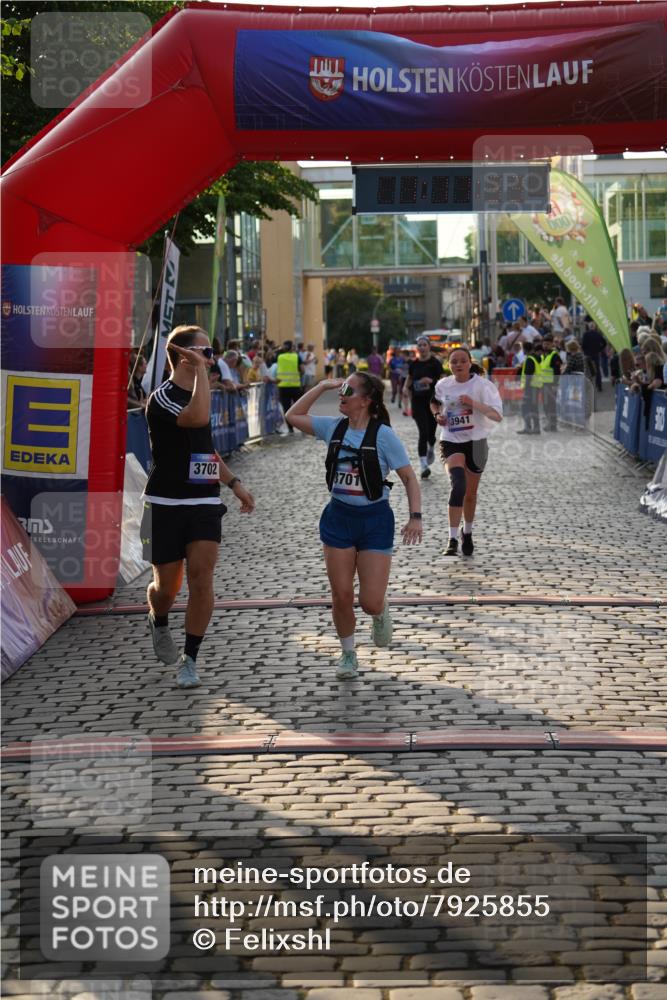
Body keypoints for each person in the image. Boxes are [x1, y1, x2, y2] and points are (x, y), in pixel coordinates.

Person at [285, 372, 422, 679]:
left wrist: (416, 517)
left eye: (347, 390)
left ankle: (380, 610)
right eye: (341, 389)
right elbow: (292, 415)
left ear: (367, 400)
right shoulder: (333, 427)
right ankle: (348, 653)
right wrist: (322, 387)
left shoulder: (384, 435)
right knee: (342, 594)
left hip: (374, 520)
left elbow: (409, 478)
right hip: (339, 518)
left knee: (369, 601)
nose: (341, 394)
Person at [141, 325, 255, 688]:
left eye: (213, 350)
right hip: (164, 502)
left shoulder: (202, 388)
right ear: (183, 355)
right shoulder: (162, 398)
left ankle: (190, 658)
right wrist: (204, 375)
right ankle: (157, 618)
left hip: (204, 500)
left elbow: (205, 448)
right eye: (206, 351)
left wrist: (234, 484)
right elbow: (196, 418)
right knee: (167, 589)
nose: (213, 357)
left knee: (202, 578)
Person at [431, 347, 502, 557]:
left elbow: (497, 415)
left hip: (477, 443)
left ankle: (467, 532)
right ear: (449, 365)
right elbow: (434, 403)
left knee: (470, 495)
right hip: (451, 440)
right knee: (458, 484)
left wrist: (473, 403)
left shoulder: (483, 386)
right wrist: (438, 416)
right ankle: (452, 538)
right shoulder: (443, 385)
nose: (458, 365)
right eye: (454, 361)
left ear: (470, 363)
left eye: (462, 360)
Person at [402, 335, 444, 479]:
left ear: (429, 347)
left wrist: (431, 381)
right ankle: (423, 465)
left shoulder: (435, 363)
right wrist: (405, 388)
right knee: (423, 432)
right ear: (417, 348)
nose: (422, 347)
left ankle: (431, 447)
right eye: (419, 345)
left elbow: (442, 381)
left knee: (431, 433)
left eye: (424, 345)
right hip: (418, 402)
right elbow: (410, 377)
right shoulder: (414, 364)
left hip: (433, 402)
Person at [276, 339, 303, 433]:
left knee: (286, 408)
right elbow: (302, 370)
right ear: (292, 347)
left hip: (283, 387)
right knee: (299, 407)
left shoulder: (279, 357)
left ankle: (290, 428)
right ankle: (302, 426)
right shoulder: (296, 356)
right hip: (295, 386)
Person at [516, 341, 541, 435]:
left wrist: (526, 388)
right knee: (533, 408)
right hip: (535, 386)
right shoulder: (535, 358)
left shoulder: (530, 359)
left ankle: (529, 428)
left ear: (525, 349)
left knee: (525, 408)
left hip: (530, 388)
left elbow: (528, 376)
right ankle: (536, 428)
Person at [539, 333, 562, 432]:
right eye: (544, 344)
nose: (545, 346)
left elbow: (557, 371)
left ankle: (553, 425)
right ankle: (550, 423)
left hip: (551, 385)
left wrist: (555, 385)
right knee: (546, 405)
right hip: (544, 384)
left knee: (551, 405)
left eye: (548, 344)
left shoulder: (554, 356)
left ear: (552, 344)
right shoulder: (544, 355)